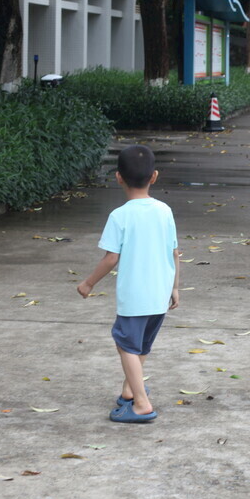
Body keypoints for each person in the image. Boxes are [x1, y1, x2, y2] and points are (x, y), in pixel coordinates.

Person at [77, 145, 180, 423]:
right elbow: (174, 252)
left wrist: (88, 283)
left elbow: (111, 259)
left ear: (118, 177)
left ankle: (142, 403)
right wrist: (175, 287)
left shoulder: (119, 216)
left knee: (126, 347)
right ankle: (128, 391)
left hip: (135, 297)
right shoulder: (165, 210)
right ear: (154, 176)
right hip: (159, 294)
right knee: (139, 346)